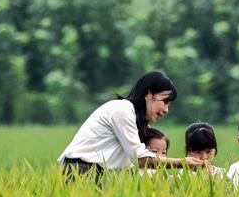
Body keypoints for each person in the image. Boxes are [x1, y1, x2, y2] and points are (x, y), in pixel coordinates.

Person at [57, 71, 202, 179]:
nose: (166, 110)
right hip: (80, 172)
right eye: (164, 102)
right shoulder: (123, 110)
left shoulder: (140, 125)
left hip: (101, 175)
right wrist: (184, 163)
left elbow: (139, 169)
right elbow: (141, 160)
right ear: (148, 94)